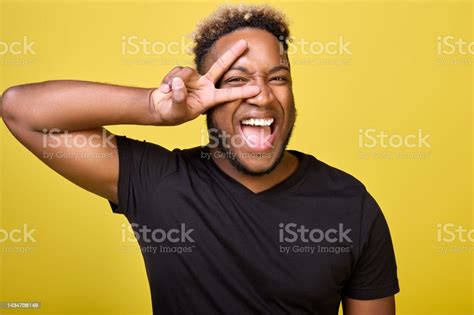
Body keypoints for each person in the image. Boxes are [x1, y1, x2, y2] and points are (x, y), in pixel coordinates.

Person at [1, 4, 399, 315]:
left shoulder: (350, 205)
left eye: (278, 77)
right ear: (204, 103)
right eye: (236, 80)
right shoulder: (161, 183)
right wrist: (153, 108)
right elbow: (21, 110)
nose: (262, 95)